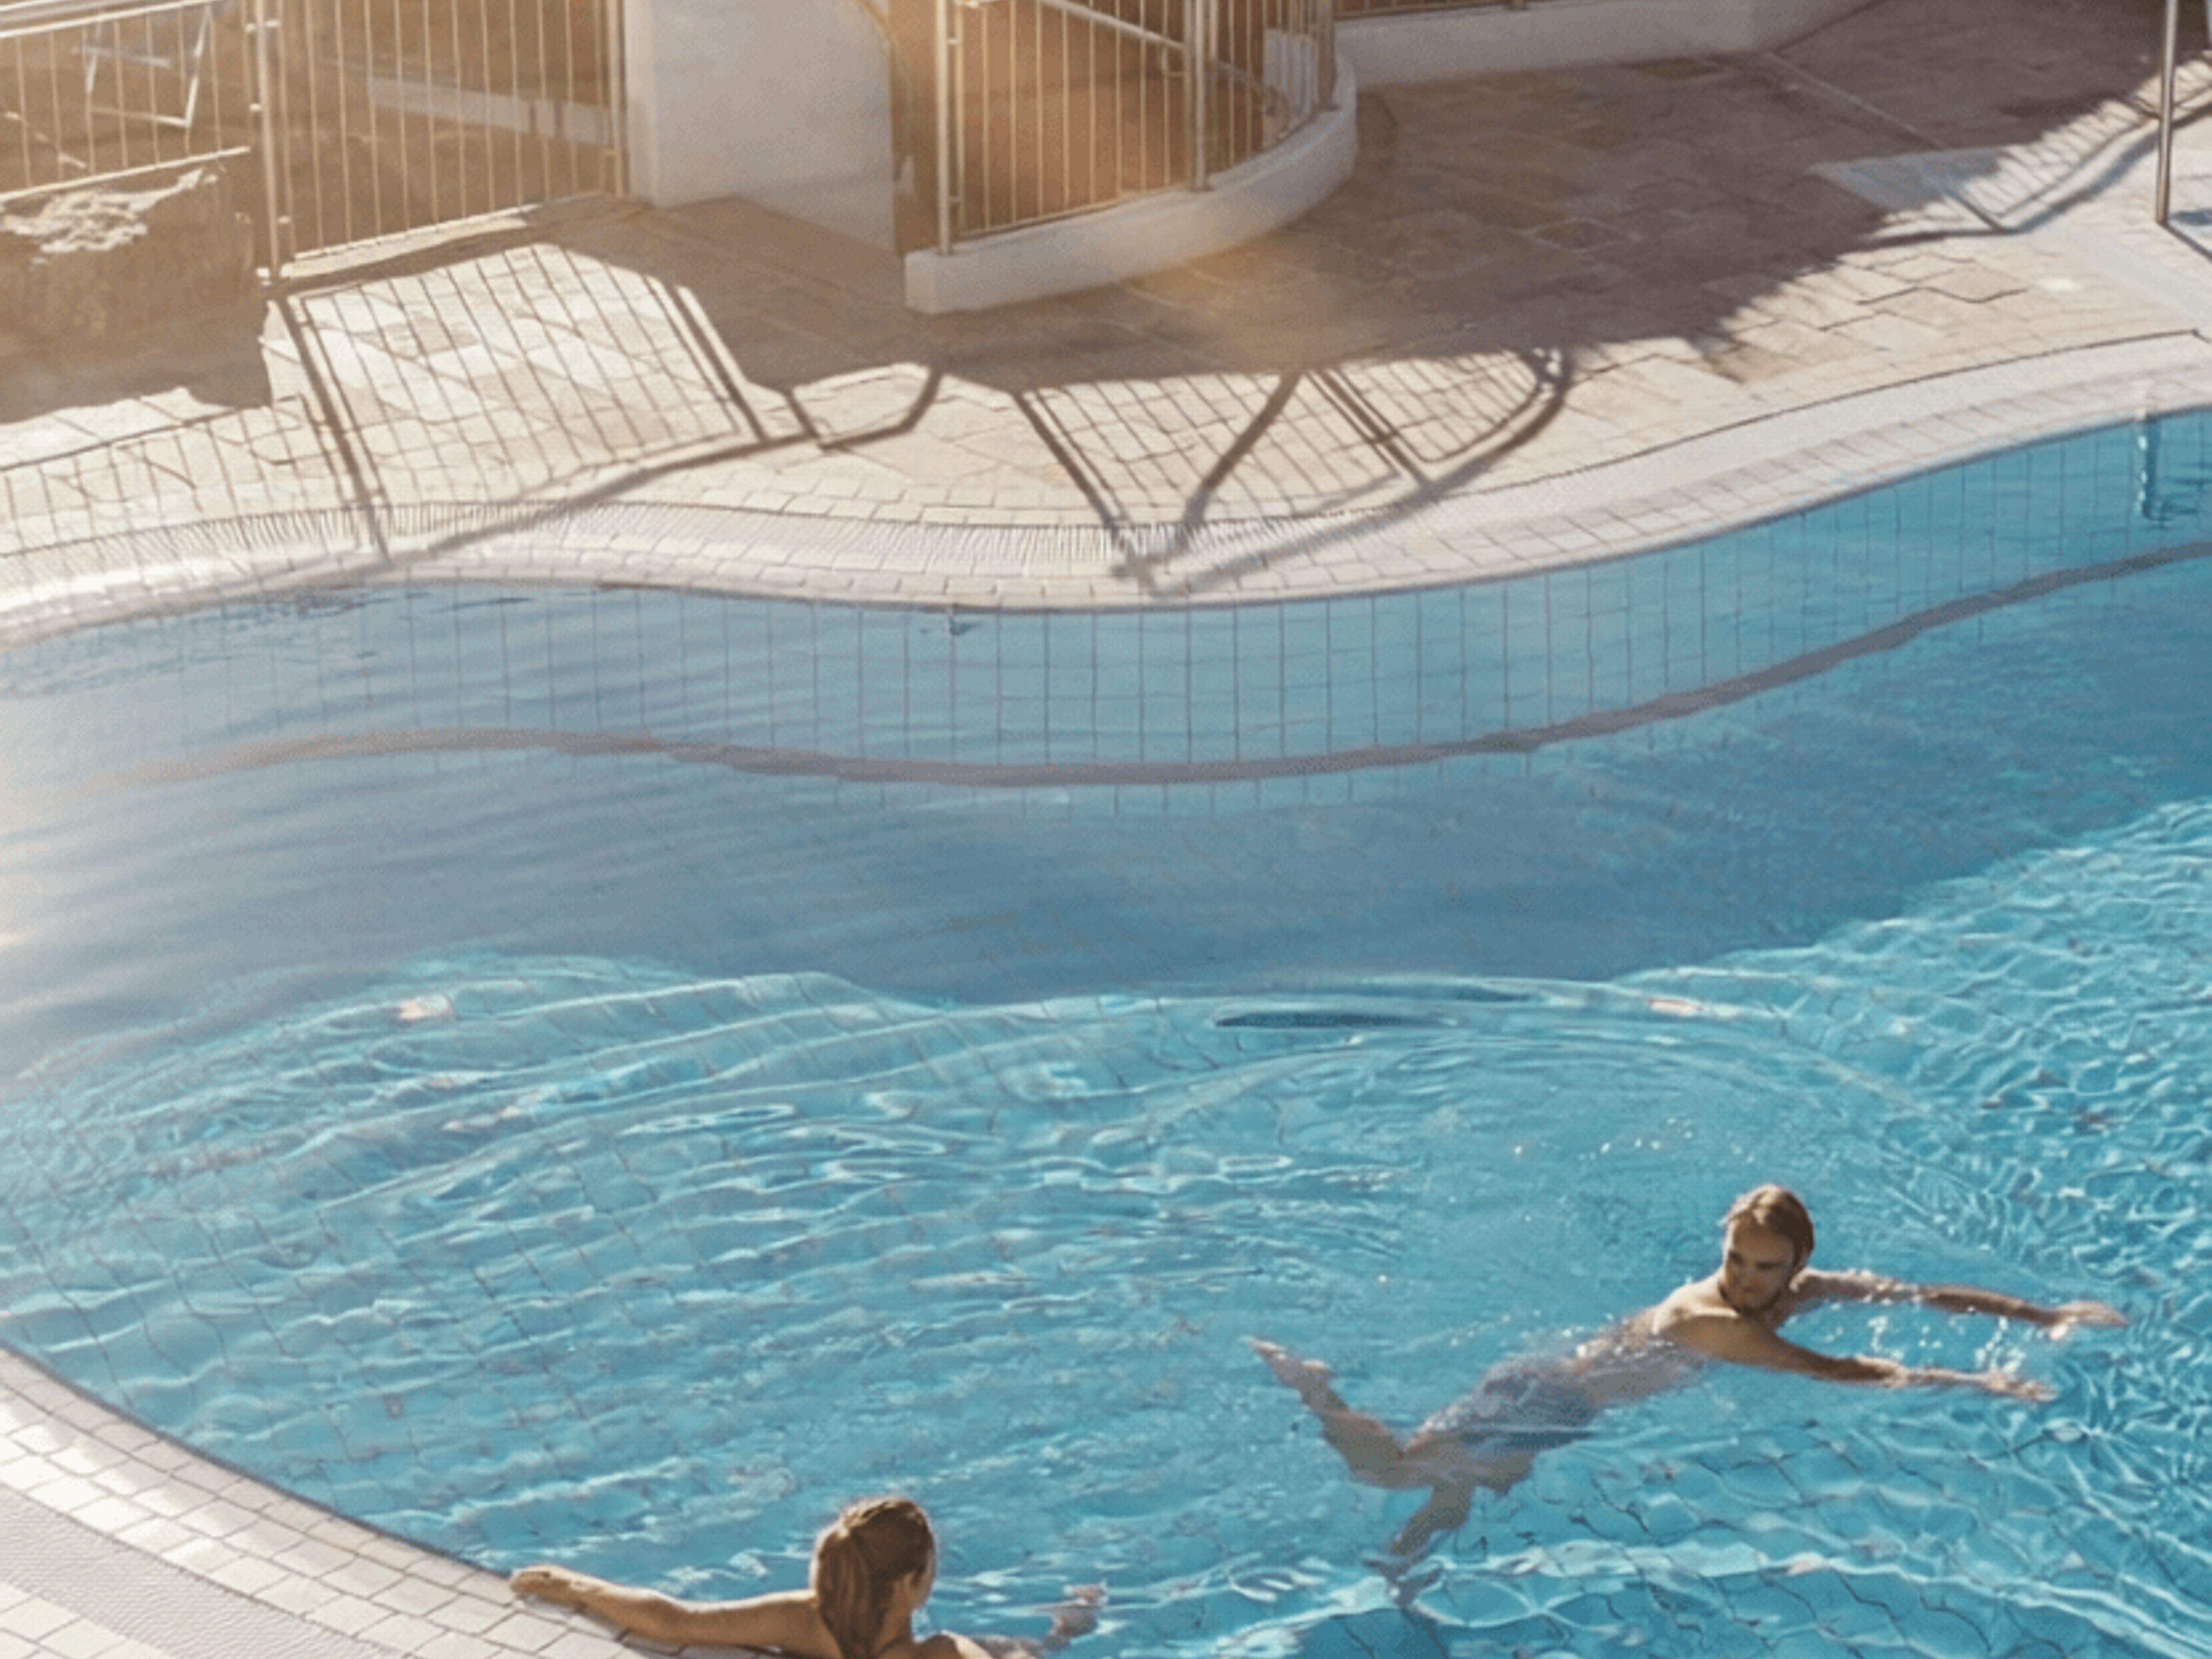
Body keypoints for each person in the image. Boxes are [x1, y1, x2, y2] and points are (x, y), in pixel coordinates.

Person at [1255, 1183, 2125, 1558]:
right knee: (1397, 1471)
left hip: (1555, 1406)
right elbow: (1838, 1371)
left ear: (1796, 1265)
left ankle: (1402, 1565)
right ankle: (1316, 1386)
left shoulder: (1802, 1288)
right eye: (1735, 1259)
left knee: (1465, 1484)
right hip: (1550, 1399)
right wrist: (1980, 1386)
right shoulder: (1715, 1322)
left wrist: (2042, 1315)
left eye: (1762, 1267)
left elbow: (1922, 1295)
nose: (1743, 1279)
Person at [510, 1494, 1100, 1659]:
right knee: (1020, 1650)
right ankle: (1066, 1628)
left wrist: (572, 1585)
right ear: (906, 1586)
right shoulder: (943, 1653)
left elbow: (673, 1620)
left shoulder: (804, 1620)